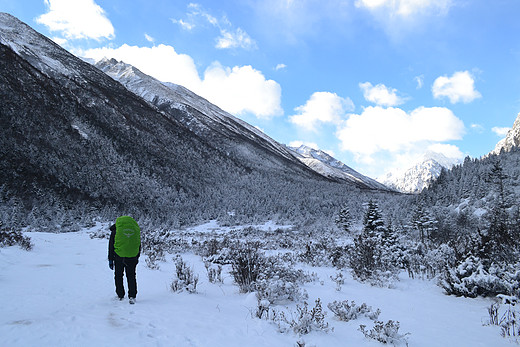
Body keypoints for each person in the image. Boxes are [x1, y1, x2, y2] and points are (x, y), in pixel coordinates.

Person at [108, 216, 141, 304]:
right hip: (132, 256)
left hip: (119, 257)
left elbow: (111, 245)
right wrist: (137, 256)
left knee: (118, 275)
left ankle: (120, 295)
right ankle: (132, 296)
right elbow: (138, 244)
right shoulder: (135, 229)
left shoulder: (116, 230)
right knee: (131, 276)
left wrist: (110, 259)